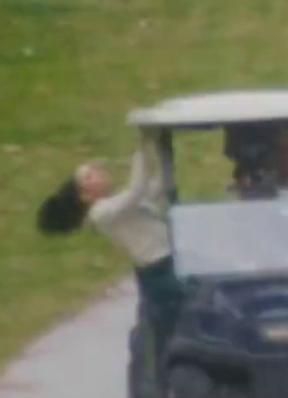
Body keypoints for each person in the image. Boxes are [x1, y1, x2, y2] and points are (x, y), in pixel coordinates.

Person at [37, 129, 182, 358]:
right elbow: (136, 191)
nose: (97, 172)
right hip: (160, 268)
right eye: (89, 176)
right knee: (174, 327)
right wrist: (143, 146)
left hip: (173, 259)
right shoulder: (101, 213)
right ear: (85, 196)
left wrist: (162, 150)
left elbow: (156, 187)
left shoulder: (114, 205)